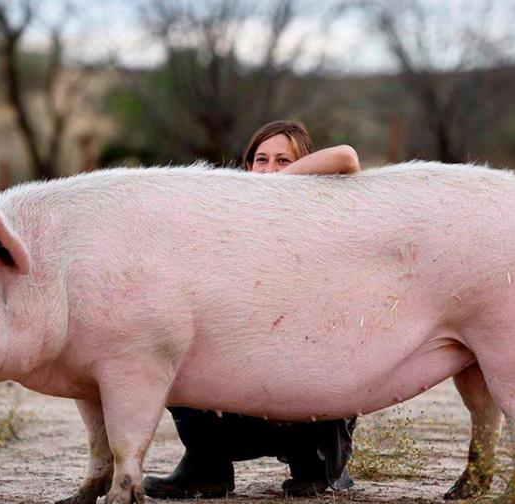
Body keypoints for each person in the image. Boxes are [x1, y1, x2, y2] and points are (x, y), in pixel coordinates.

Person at [142, 120, 360, 499]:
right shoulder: (227, 226)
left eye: (283, 159)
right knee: (176, 351)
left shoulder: (320, 219)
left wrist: (274, 185)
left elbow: (346, 156)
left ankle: (312, 465)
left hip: (306, 400)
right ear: (246, 168)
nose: (270, 168)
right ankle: (206, 468)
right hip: (241, 398)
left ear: (306, 166)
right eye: (260, 160)